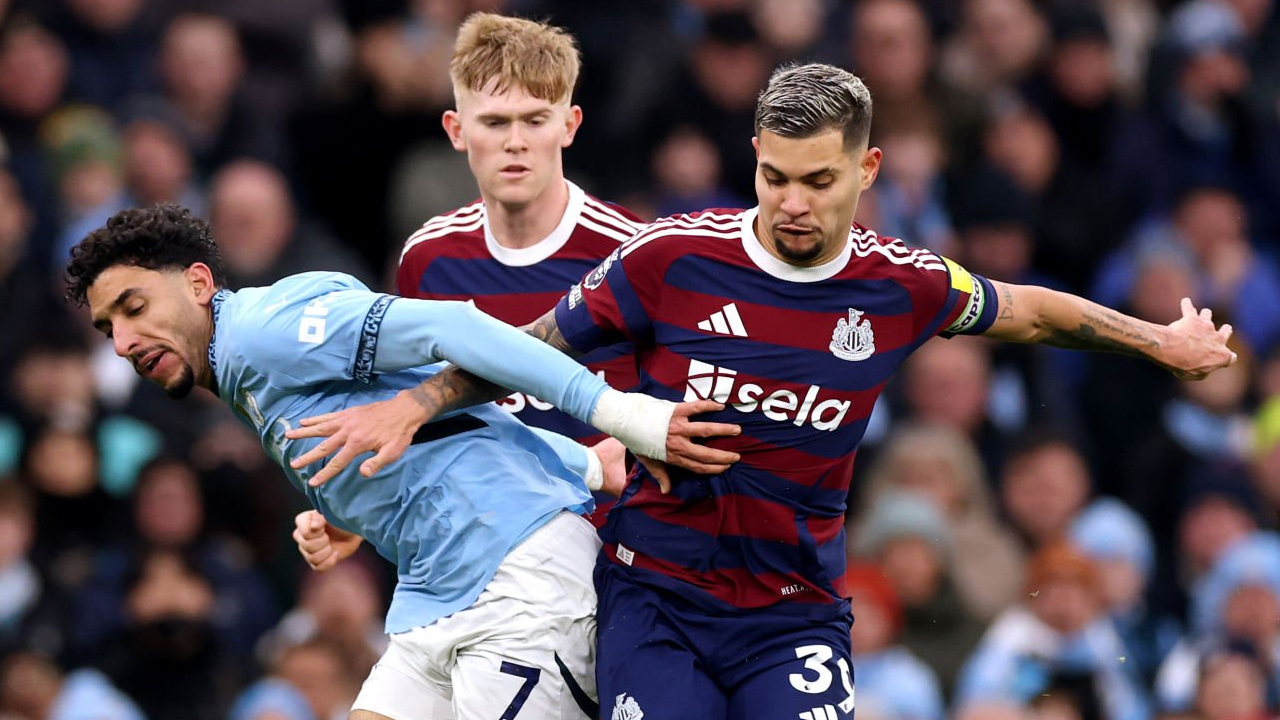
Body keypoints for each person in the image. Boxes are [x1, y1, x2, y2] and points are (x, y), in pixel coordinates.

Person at [290, 63, 1235, 719]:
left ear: (866, 170)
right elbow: (525, 354)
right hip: (654, 597)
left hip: (792, 610)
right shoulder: (670, 258)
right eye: (773, 176)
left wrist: (1157, 337)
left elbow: (1027, 310)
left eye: (818, 181)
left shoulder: (903, 282)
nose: (790, 202)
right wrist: (413, 411)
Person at [63, 203, 739, 720]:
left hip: (518, 585)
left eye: (134, 307)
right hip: (435, 595)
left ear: (199, 283)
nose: (123, 341)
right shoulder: (237, 368)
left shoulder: (264, 334)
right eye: (107, 328)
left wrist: (621, 414)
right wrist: (352, 511)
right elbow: (420, 417)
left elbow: (457, 331)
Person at [397, 12, 645, 448]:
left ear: (569, 125)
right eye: (494, 122)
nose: (516, 141)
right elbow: (419, 427)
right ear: (457, 131)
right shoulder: (428, 258)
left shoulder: (633, 253)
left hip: (608, 515)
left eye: (535, 120)